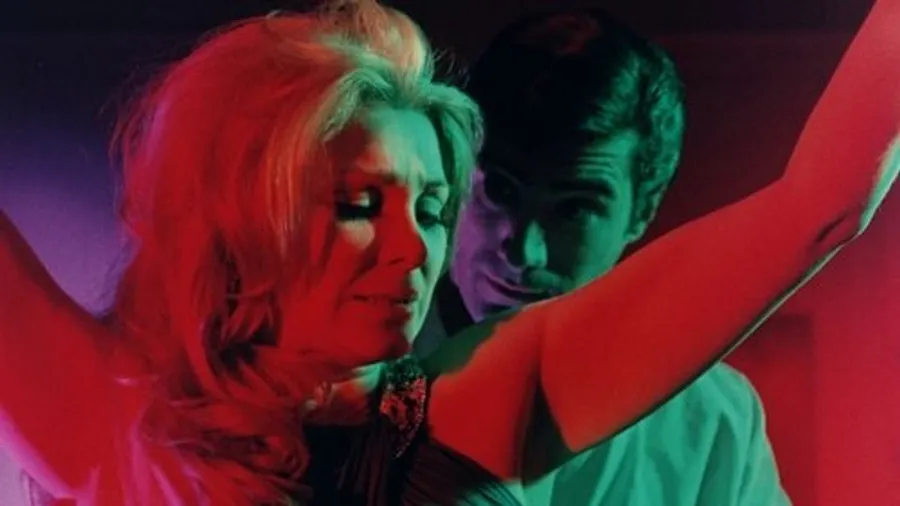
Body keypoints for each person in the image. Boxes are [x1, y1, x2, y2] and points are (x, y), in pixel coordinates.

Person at [1, 0, 898, 504]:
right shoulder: (111, 420)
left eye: (431, 209)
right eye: (360, 205)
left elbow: (817, 207)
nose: (413, 250)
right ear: (247, 215)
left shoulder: (479, 402)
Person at [414, 9, 789, 505]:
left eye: (573, 209)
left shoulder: (711, 422)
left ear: (642, 210)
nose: (524, 250)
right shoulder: (352, 372)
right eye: (500, 190)